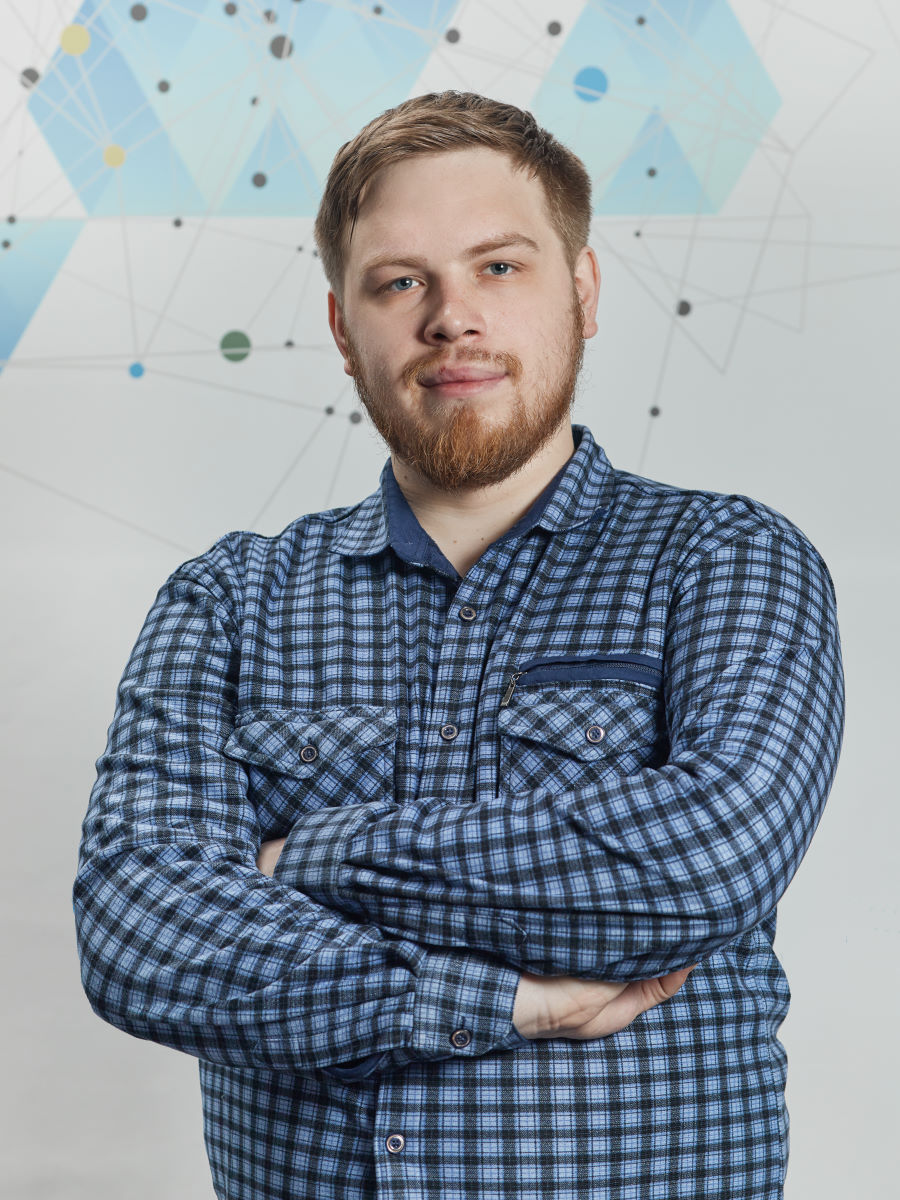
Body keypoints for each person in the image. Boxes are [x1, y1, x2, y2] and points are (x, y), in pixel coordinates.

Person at [73, 91, 844, 1200]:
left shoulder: (728, 561)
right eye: (400, 282)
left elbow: (705, 861)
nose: (451, 318)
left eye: (499, 267)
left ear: (582, 292)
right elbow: (138, 933)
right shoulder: (229, 599)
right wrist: (507, 1002)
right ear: (342, 328)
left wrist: (304, 860)